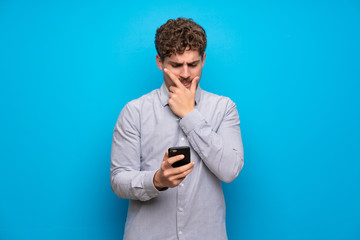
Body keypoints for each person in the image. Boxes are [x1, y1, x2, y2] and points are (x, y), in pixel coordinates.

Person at [111, 17, 244, 240]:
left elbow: (230, 170)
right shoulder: (135, 111)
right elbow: (119, 180)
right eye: (175, 65)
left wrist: (189, 114)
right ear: (159, 62)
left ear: (203, 60)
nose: (185, 74)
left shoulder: (224, 108)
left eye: (192, 64)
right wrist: (157, 181)